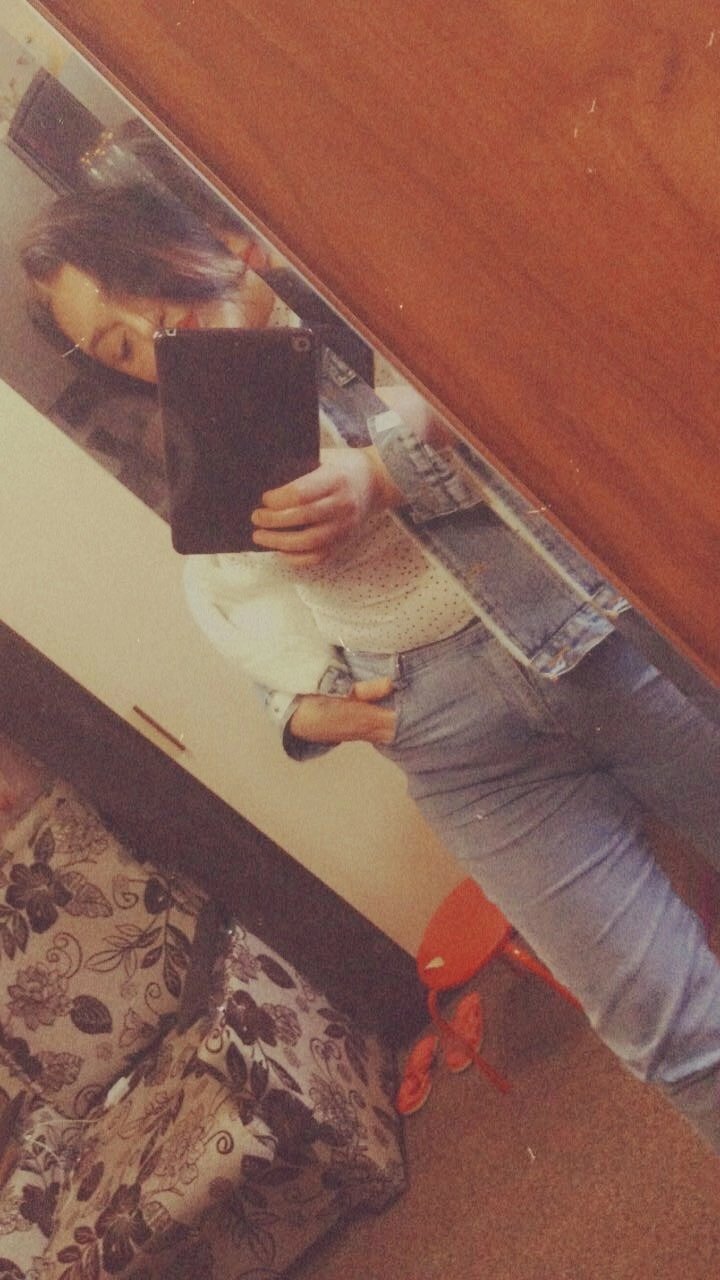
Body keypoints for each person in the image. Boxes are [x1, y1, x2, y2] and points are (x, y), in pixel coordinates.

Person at [21, 182, 720, 1154]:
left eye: (143, 284)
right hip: (453, 741)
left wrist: (386, 475)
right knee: (669, 1029)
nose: (155, 331)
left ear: (217, 235)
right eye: (122, 347)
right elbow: (234, 595)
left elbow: (531, 380)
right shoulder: (209, 442)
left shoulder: (362, 276)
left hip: (593, 630)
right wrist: (299, 705)